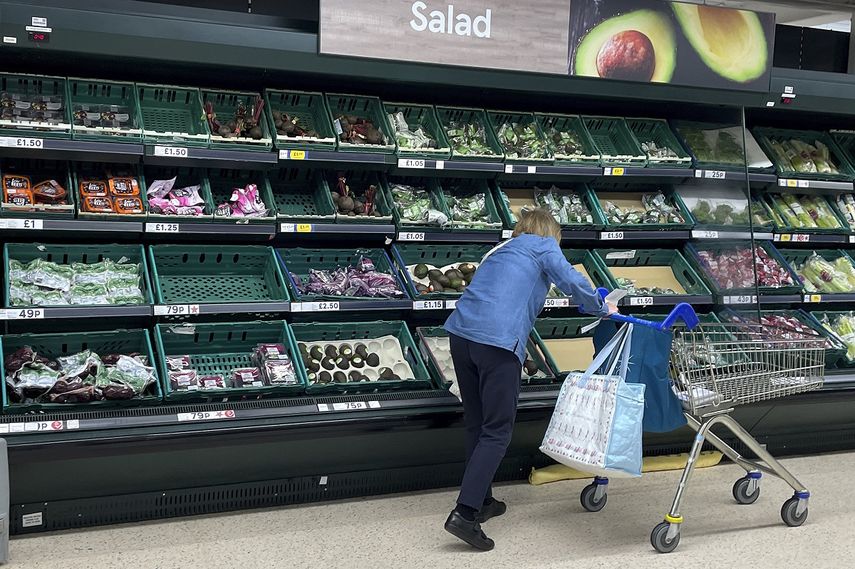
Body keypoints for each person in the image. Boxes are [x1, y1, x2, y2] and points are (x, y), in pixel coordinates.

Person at [442, 207, 618, 551]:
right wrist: (600, 306)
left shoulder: (502, 248)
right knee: (497, 431)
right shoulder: (542, 245)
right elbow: (572, 280)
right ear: (549, 232)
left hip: (461, 335)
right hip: (497, 342)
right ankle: (463, 514)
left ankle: (482, 501)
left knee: (476, 425)